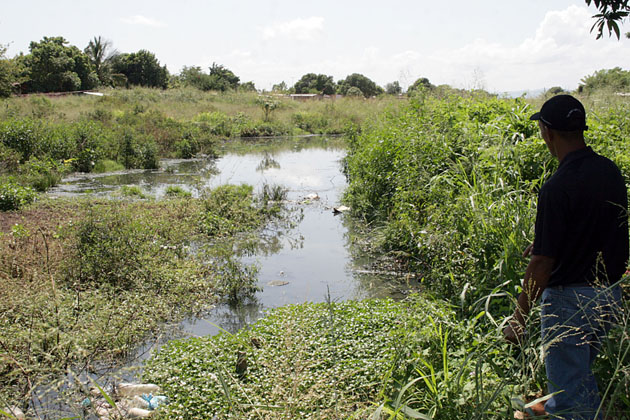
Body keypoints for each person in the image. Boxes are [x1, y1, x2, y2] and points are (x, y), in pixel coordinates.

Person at [503, 95, 628, 419]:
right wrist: (547, 242)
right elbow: (604, 228)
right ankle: (552, 407)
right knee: (578, 377)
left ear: (547, 132)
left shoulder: (557, 187)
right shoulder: (609, 171)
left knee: (574, 398)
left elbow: (542, 264)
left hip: (569, 303)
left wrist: (518, 318)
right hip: (608, 296)